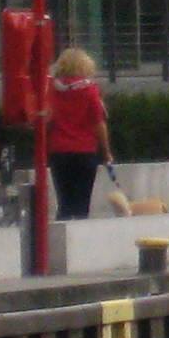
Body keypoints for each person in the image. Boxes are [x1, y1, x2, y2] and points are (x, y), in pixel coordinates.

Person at [44, 48, 110, 222]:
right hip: (85, 151)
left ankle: (61, 233)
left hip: (59, 151)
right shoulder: (90, 90)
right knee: (82, 202)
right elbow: (98, 123)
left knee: (64, 201)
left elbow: (46, 119)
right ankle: (79, 233)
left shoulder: (51, 89)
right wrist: (106, 152)